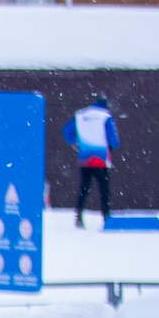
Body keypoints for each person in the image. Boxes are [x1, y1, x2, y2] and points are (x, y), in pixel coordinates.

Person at [66, 95, 118, 228]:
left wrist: (74, 144)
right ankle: (106, 216)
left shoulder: (81, 114)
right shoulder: (106, 116)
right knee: (104, 189)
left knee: (84, 187)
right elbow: (114, 141)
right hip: (101, 159)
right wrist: (112, 145)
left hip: (85, 157)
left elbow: (67, 131)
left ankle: (79, 215)